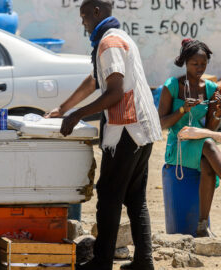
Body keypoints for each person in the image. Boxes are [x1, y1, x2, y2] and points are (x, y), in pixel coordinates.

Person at [45, 1, 161, 269]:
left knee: (109, 196)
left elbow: (115, 92)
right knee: (135, 199)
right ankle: (144, 261)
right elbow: (96, 80)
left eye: (84, 16)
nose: (82, 22)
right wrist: (64, 108)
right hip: (142, 131)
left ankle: (102, 261)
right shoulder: (117, 38)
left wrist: (76, 115)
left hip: (126, 131)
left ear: (97, 12)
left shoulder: (109, 44)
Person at [158, 38, 221, 237]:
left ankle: (202, 226)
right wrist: (182, 109)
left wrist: (218, 112)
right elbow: (161, 123)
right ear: (186, 62)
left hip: (202, 143)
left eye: (203, 64)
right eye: (195, 64)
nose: (199, 68)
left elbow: (211, 127)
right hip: (178, 146)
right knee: (210, 146)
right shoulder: (173, 86)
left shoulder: (211, 89)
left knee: (207, 167)